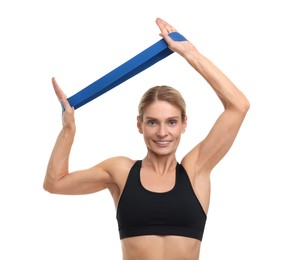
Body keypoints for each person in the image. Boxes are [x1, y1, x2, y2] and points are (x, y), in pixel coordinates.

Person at [44, 18, 250, 260]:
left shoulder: (196, 169)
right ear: (139, 124)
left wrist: (189, 53)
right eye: (152, 122)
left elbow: (238, 106)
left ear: (184, 124)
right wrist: (68, 130)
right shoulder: (120, 171)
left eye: (171, 122)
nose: (162, 132)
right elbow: (55, 183)